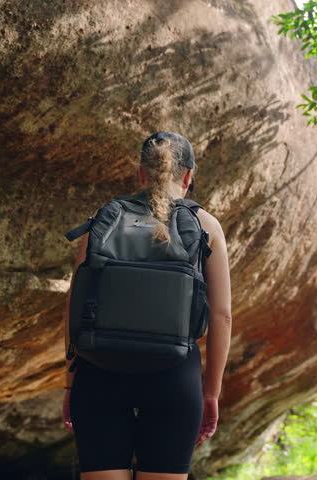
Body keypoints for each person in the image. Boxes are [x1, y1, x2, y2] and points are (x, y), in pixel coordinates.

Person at [61, 132, 233, 480]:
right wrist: (210, 393)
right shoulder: (206, 225)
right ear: (188, 177)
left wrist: (70, 383)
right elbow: (222, 316)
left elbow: (75, 304)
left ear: (141, 173)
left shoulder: (105, 218)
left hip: (99, 372)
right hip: (174, 378)